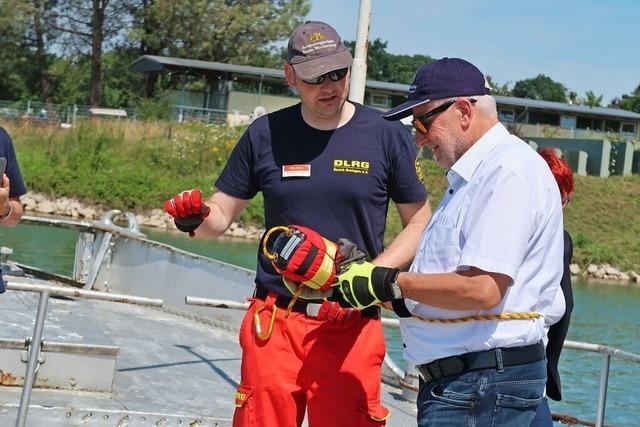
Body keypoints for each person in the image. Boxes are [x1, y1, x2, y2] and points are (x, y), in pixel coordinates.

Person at [164, 21, 431, 427]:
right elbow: (218, 218)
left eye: (338, 74)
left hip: (351, 326)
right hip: (276, 326)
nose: (330, 86)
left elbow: (420, 221)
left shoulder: (386, 136)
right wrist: (195, 217)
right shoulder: (265, 134)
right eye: (314, 78)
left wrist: (373, 273)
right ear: (290, 76)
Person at [333, 58, 565, 427]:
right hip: (474, 384)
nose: (419, 138)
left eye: (423, 122)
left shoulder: (506, 173)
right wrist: (375, 284)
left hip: (480, 387)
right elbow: (449, 287)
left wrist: (389, 281)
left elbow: (482, 289)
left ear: (462, 111)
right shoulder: (475, 178)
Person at [530, 148, 575, 427]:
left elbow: (566, 306)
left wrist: (551, 369)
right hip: (492, 378)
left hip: (536, 383)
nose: (557, 210)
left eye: (564, 202)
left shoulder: (562, 242)